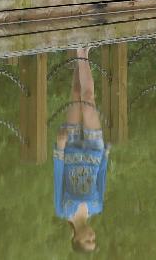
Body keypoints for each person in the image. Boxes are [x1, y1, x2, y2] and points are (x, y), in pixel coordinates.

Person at [54, 48, 108, 253]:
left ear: (76, 239)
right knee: (88, 100)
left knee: (76, 94)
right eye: (94, 241)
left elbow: (58, 178)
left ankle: (80, 51)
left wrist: (59, 148)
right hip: (95, 151)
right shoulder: (97, 207)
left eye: (88, 241)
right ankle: (82, 49)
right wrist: (106, 155)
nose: (92, 237)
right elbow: (101, 177)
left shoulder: (63, 210)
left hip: (70, 148)